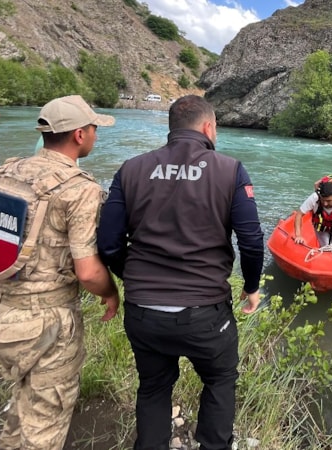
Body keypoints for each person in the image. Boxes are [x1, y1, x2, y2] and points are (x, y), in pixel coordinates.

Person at [97, 94, 264, 450]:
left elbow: (108, 242)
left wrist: (135, 277)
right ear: (208, 127)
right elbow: (250, 240)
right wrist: (251, 287)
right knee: (219, 379)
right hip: (206, 311)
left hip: (144, 312)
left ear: (171, 128)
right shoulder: (230, 170)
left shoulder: (131, 168)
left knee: (154, 386)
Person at [0, 95, 120, 449]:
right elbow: (87, 271)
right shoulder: (80, 189)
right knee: (46, 422)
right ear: (80, 135)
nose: (96, 136)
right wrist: (110, 292)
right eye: (94, 129)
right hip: (45, 325)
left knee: (23, 400)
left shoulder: (5, 172)